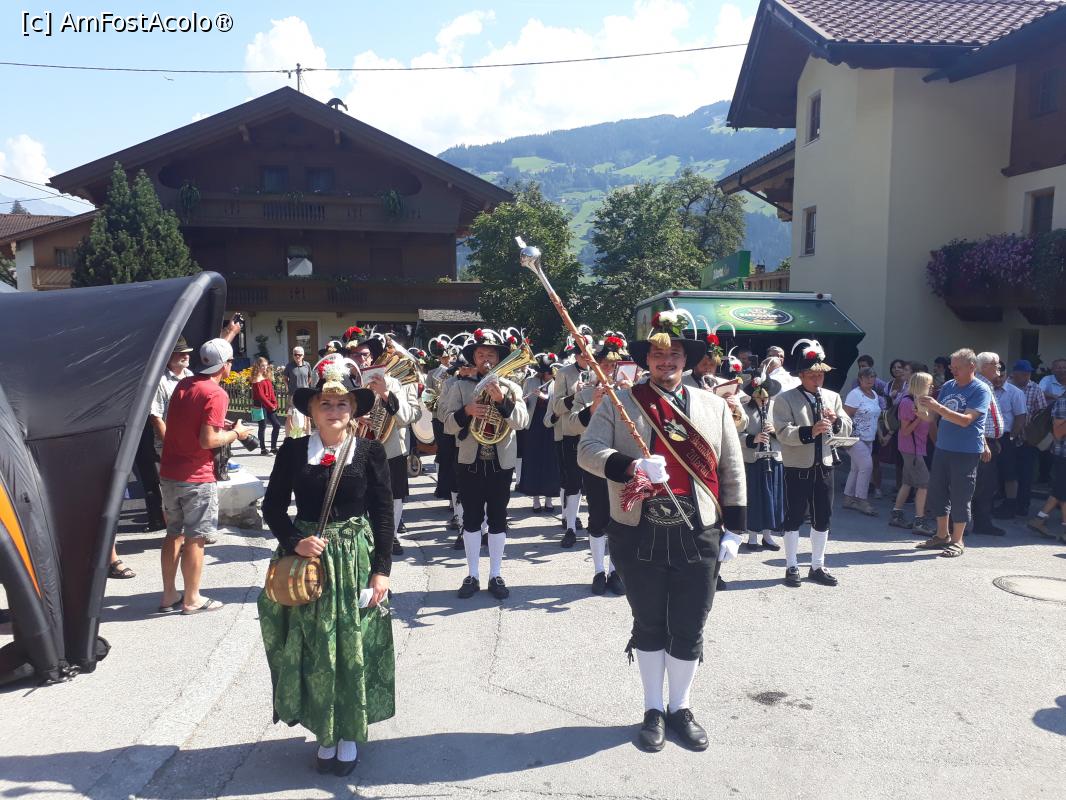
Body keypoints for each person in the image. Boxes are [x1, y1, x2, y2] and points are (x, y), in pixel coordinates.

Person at [577, 310, 746, 753]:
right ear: (646, 359)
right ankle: (652, 709)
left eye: (674, 355)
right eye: (657, 354)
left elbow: (731, 468)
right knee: (649, 622)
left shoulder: (712, 405)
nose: (665, 361)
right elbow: (587, 450)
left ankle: (680, 708)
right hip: (638, 528)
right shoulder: (622, 401)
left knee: (689, 624)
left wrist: (736, 529)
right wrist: (630, 465)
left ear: (686, 359)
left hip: (698, 529)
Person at [259, 367, 394, 776]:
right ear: (313, 411)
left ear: (353, 410)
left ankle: (348, 731)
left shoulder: (369, 452)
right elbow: (272, 507)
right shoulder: (293, 451)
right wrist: (293, 542)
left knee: (352, 645)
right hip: (309, 564)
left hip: (354, 560)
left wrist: (381, 571)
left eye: (342, 404)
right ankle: (325, 731)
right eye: (326, 404)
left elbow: (383, 514)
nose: (334, 410)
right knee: (315, 646)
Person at [158, 338, 251, 614]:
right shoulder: (216, 393)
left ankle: (169, 595)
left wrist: (222, 425)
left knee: (173, 533)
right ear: (226, 365)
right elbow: (208, 440)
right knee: (196, 538)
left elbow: (185, 422)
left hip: (170, 471)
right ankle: (192, 599)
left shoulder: (184, 384)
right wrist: (236, 433)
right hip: (196, 476)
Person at [442, 329, 530, 599]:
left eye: (491, 354)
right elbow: (447, 425)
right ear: (474, 359)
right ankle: (472, 575)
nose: (486, 359)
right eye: (480, 355)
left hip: (500, 463)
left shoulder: (512, 387)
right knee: (471, 518)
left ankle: (495, 574)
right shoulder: (460, 387)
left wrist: (502, 401)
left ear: (499, 359)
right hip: (470, 461)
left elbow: (522, 422)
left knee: (498, 518)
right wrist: (466, 411)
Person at [773, 340, 853, 587]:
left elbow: (848, 427)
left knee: (823, 516)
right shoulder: (785, 399)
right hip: (797, 466)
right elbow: (782, 432)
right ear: (801, 375)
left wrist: (836, 422)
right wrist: (811, 431)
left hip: (825, 464)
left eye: (821, 375)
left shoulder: (832, 397)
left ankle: (817, 565)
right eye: (812, 375)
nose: (818, 379)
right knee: (794, 515)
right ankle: (791, 565)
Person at [348, 331, 421, 556]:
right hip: (354, 447)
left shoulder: (393, 382)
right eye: (356, 355)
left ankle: (391, 536)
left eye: (365, 355)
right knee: (358, 493)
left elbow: (409, 416)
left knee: (393, 494)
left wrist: (386, 394)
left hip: (389, 448)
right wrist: (353, 417)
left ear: (373, 358)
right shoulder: (341, 383)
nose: (361, 359)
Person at [915, 349, 992, 558]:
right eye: (951, 367)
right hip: (943, 447)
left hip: (966, 450)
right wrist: (920, 408)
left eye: (957, 367)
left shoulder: (980, 389)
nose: (953, 371)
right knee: (937, 492)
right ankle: (942, 535)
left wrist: (937, 407)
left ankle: (958, 540)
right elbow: (933, 417)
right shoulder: (949, 386)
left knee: (961, 495)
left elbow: (966, 420)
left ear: (971, 367)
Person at [568, 336, 629, 595]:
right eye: (604, 365)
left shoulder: (631, 393)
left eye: (614, 366)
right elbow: (570, 425)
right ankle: (598, 570)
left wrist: (631, 395)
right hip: (595, 462)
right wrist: (592, 406)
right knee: (598, 516)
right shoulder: (584, 393)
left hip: (623, 460)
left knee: (619, 518)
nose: (609, 370)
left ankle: (615, 570)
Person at [140, 336, 196, 535]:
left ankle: (185, 533)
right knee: (171, 492)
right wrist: (172, 446)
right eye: (180, 352)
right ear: (169, 356)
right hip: (169, 446)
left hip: (190, 444)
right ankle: (175, 533)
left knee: (189, 488)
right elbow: (156, 417)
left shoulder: (190, 376)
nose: (185, 355)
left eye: (187, 352)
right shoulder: (160, 381)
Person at [553, 332, 597, 548]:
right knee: (573, 481)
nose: (586, 358)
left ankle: (596, 526)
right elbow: (556, 407)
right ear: (576, 355)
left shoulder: (599, 371)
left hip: (596, 433)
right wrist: (574, 396)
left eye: (589, 354)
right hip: (571, 432)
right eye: (582, 354)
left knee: (595, 483)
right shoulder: (564, 373)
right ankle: (570, 526)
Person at [739, 372, 784, 552]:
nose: (763, 399)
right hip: (753, 459)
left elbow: (788, 432)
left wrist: (775, 432)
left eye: (766, 396)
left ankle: (767, 535)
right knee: (754, 498)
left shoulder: (777, 408)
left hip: (773, 458)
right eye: (759, 396)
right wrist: (753, 438)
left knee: (772, 498)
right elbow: (735, 434)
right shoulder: (743, 409)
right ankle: (752, 535)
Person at [517, 352, 562, 513]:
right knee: (533, 460)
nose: (550, 375)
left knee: (550, 462)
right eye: (547, 372)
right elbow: (523, 402)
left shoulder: (558, 382)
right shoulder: (530, 381)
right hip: (534, 425)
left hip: (551, 425)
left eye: (551, 372)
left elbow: (559, 403)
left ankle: (549, 499)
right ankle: (535, 499)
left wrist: (545, 397)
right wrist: (525, 401)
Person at [890, 372, 935, 532]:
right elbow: (905, 431)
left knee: (907, 483)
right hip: (912, 450)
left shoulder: (919, 401)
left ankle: (896, 515)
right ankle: (919, 521)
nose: (932, 387)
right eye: (929, 384)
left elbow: (930, 419)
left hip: (915, 449)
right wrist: (919, 417)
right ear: (921, 386)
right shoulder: (907, 403)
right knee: (924, 484)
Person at [970, 352, 1006, 536]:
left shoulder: (987, 385)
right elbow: (977, 419)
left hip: (989, 442)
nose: (999, 367)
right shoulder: (980, 385)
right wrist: (984, 443)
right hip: (980, 442)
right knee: (980, 485)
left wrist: (994, 440)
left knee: (987, 485)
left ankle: (981, 522)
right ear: (984, 367)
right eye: (996, 364)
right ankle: (971, 523)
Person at [843, 367, 884, 516]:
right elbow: (845, 416)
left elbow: (875, 417)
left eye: (872, 377)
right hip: (855, 437)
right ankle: (862, 500)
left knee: (856, 469)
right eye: (866, 377)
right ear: (860, 379)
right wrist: (847, 436)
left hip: (869, 438)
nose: (869, 379)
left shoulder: (874, 394)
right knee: (867, 466)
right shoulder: (855, 394)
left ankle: (848, 499)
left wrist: (880, 434)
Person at [1010, 360, 1047, 518]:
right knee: (1009, 472)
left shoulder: (1035, 388)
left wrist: (1033, 430)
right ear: (1015, 374)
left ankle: (1023, 505)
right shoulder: (1007, 386)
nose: (1026, 377)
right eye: (1023, 374)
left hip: (1027, 439)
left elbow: (1042, 412)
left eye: (1028, 374)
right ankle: (1008, 501)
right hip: (1008, 435)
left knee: (1026, 473)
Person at [991, 364, 1029, 520]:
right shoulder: (986, 390)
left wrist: (1012, 438)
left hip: (1007, 437)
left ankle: (1010, 505)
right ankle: (989, 502)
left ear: (1007, 375)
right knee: (990, 471)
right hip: (989, 436)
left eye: (1002, 376)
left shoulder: (1015, 393)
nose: (998, 379)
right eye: (996, 376)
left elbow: (1020, 418)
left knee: (1009, 473)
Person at [1027, 392, 1066, 542]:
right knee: (1062, 492)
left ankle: (1039, 519)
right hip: (1063, 455)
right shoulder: (1063, 402)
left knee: (1059, 492)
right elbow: (1058, 433)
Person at [250, 356, 283, 455]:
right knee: (262, 426)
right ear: (258, 366)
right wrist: (270, 405)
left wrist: (275, 402)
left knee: (277, 425)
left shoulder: (266, 376)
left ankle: (273, 447)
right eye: (262, 366)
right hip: (260, 406)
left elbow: (271, 392)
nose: (265, 368)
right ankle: (263, 449)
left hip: (269, 405)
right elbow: (261, 396)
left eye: (266, 365)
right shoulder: (256, 379)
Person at [284, 347, 316, 437]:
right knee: (290, 416)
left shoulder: (307, 365)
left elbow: (310, 377)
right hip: (293, 395)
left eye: (299, 355)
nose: (297, 356)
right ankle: (289, 437)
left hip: (305, 395)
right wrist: (287, 387)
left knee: (307, 416)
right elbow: (285, 378)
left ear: (303, 355)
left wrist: (305, 385)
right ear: (293, 355)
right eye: (295, 354)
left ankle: (307, 436)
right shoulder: (289, 366)